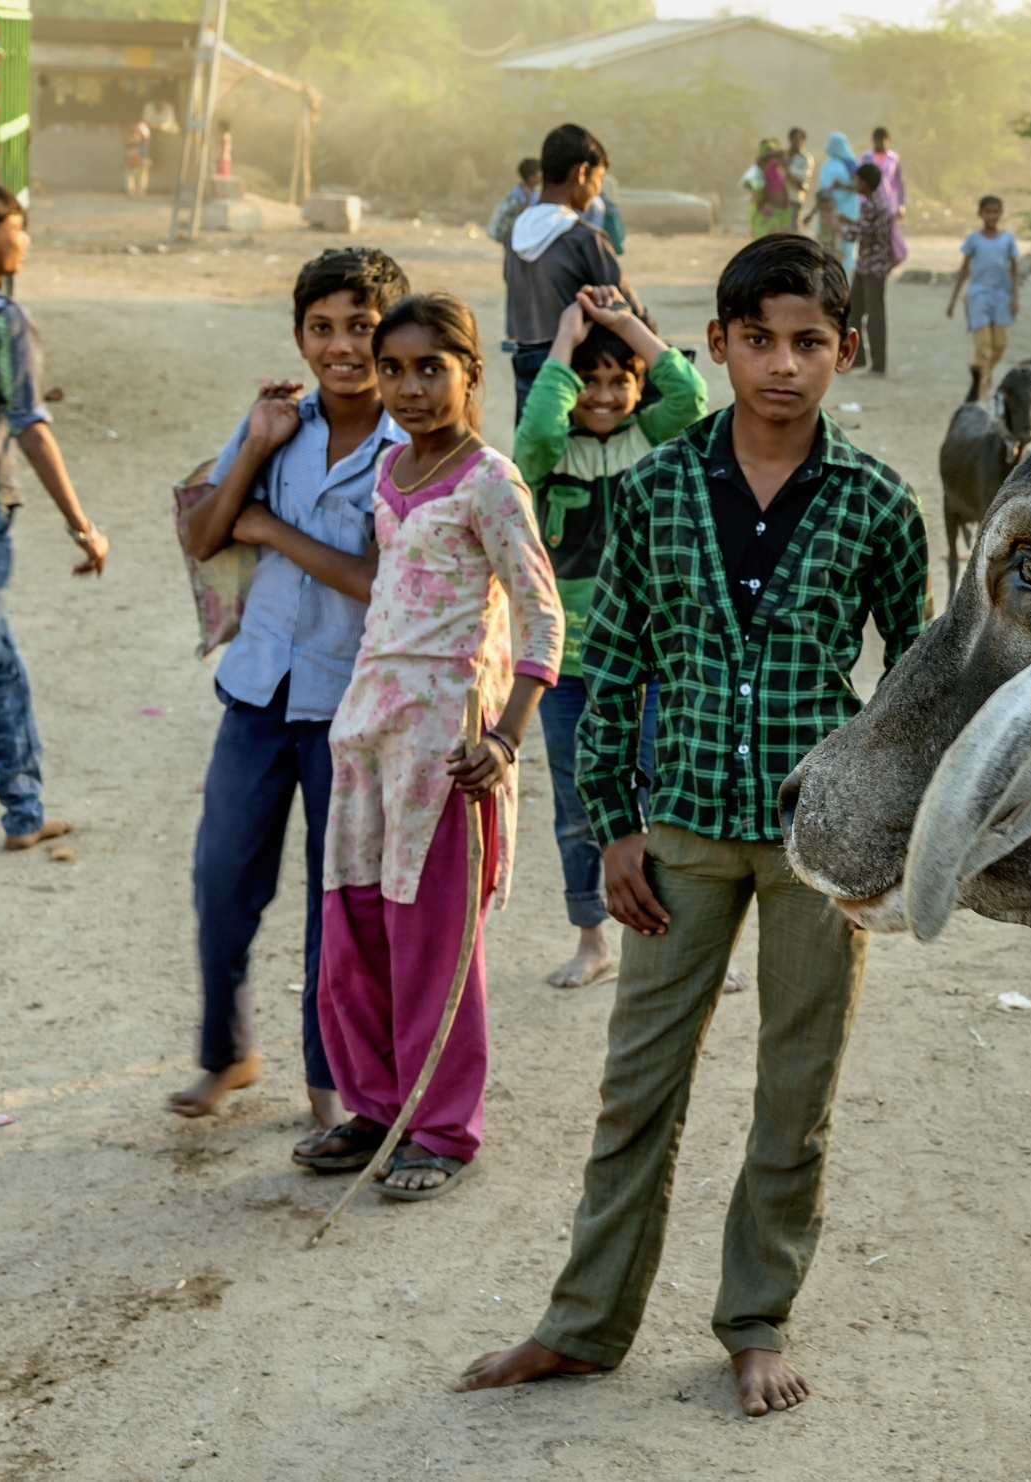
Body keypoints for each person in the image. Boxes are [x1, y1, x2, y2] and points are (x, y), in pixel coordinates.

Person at [454, 233, 928, 1416]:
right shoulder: (658, 489)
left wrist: (884, 838)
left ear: (843, 350)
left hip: (817, 853)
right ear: (713, 348)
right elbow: (611, 667)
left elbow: (913, 686)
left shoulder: (876, 504)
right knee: (637, 1090)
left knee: (793, 1090)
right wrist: (610, 827)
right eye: (758, 340)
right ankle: (582, 1323)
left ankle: (755, 1319)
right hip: (680, 841)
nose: (782, 365)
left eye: (807, 342)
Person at [304, 292, 564, 1199]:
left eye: (430, 368)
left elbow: (542, 619)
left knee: (432, 937)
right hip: (367, 735)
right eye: (394, 369)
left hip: (447, 747)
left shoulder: (490, 480)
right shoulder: (387, 474)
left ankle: (444, 1129)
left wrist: (504, 739)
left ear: (469, 374)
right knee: (357, 929)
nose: (409, 388)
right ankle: (377, 1108)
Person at [171, 247, 412, 1128]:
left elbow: (384, 581)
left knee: (335, 897)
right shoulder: (279, 423)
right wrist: (258, 449)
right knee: (222, 876)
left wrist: (269, 525)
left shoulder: (408, 445)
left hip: (351, 706)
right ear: (300, 335)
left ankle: (328, 1075)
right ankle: (225, 1054)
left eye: (361, 328)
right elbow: (204, 535)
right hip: (258, 693)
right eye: (323, 328)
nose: (342, 347)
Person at [511, 285, 703, 988]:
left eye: (618, 380)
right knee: (577, 804)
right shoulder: (547, 456)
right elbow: (532, 433)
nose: (601, 394)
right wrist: (564, 340)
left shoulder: (652, 443)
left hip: (650, 662)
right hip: (568, 666)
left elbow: (691, 396)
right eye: (587, 381)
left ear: (637, 385)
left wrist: (626, 325)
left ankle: (674, 934)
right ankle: (592, 937)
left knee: (660, 793)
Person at [0, 182, 109, 854]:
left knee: (0, 666)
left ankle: (24, 811)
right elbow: (29, 427)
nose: (26, 239)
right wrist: (82, 524)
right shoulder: (0, 318)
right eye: (19, 227)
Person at [504, 123, 644, 426]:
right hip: (575, 375)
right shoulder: (584, 237)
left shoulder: (516, 233)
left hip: (525, 365)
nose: (596, 191)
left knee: (533, 458)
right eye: (598, 180)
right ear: (581, 173)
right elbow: (630, 311)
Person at [946, 194, 1019, 397]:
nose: (992, 215)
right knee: (983, 345)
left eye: (995, 211)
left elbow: (1014, 269)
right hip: (978, 295)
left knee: (1000, 344)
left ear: (1001, 214)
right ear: (980, 214)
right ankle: (982, 387)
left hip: (1002, 296)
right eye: (988, 211)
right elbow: (963, 270)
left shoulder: (1008, 239)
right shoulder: (974, 239)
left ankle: (984, 373)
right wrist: (953, 300)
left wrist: (1015, 297)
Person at [844, 162, 894, 376]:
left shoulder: (872, 205)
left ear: (864, 182)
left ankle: (878, 364)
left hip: (873, 267)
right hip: (867, 266)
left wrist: (836, 225)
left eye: (856, 179)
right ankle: (859, 359)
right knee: (854, 312)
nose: (854, 183)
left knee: (873, 315)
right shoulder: (875, 203)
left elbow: (854, 234)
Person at [807, 132, 860, 274]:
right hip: (827, 214)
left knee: (844, 248)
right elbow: (822, 192)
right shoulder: (827, 165)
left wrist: (841, 186)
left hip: (845, 213)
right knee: (827, 249)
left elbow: (858, 186)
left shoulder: (850, 164)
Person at [858, 127, 908, 269]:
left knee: (889, 237)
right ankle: (873, 266)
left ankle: (889, 262)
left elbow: (898, 183)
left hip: (887, 203)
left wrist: (901, 205)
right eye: (878, 141)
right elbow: (859, 180)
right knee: (869, 236)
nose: (881, 144)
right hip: (868, 202)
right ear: (873, 141)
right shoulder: (865, 157)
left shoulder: (893, 158)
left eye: (883, 141)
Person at [741, 139, 798, 238]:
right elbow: (762, 160)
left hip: (782, 214)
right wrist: (773, 153)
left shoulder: (779, 170)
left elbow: (786, 160)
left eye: (772, 150)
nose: (772, 153)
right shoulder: (763, 166)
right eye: (768, 150)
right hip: (769, 213)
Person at [487, 158, 542, 246]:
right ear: (531, 177)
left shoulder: (534, 193)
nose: (542, 175)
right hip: (515, 236)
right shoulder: (518, 193)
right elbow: (519, 211)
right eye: (540, 172)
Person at [783, 128, 813, 228]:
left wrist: (788, 169)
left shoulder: (806, 158)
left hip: (795, 197)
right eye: (795, 138)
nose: (797, 141)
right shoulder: (784, 155)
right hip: (779, 198)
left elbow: (803, 176)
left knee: (792, 228)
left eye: (800, 138)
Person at [123, 113, 154, 199]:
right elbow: (143, 143)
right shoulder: (139, 129)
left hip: (135, 155)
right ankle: (137, 192)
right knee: (135, 175)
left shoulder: (130, 130)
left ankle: (137, 192)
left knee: (135, 175)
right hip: (136, 155)